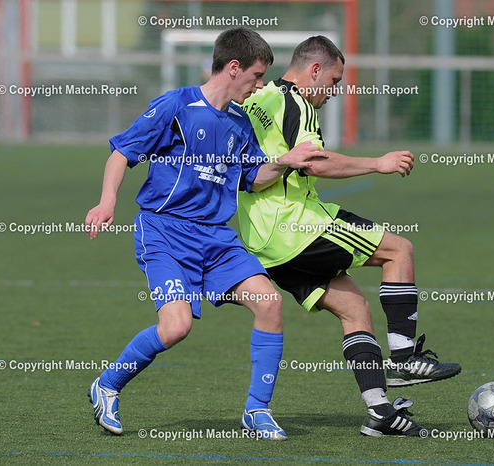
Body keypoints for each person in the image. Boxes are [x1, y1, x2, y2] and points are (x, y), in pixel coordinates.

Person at [84, 27, 322, 441]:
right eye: (257, 76)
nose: (260, 86)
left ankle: (257, 410)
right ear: (234, 68)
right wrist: (107, 203)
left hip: (215, 238)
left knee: (269, 303)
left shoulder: (240, 122)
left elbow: (252, 178)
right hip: (164, 231)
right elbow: (122, 152)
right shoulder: (176, 106)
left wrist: (286, 161)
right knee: (176, 327)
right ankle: (107, 385)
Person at [237, 36, 461, 437]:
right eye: (334, 81)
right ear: (314, 70)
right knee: (399, 250)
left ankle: (381, 413)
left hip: (262, 241)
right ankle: (405, 360)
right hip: (297, 227)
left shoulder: (256, 98)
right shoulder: (297, 103)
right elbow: (315, 163)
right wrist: (379, 162)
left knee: (355, 308)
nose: (334, 91)